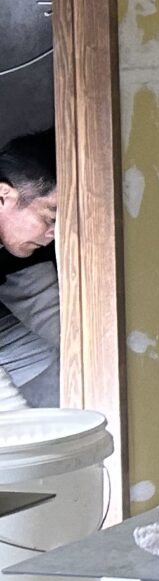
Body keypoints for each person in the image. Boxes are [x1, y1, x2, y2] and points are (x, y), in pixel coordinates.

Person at [0, 130, 59, 407]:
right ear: (4, 195)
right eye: (50, 218)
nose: (54, 234)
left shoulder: (20, 247)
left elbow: (49, 314)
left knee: (45, 355)